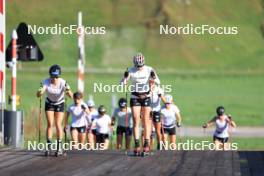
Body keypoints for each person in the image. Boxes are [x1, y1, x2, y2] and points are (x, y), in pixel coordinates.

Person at [121, 53, 160, 156]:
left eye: (141, 66)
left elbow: (158, 82)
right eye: (138, 66)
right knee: (135, 119)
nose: (139, 68)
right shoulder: (130, 70)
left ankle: (146, 144)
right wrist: (125, 78)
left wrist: (153, 78)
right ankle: (137, 144)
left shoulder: (149, 69)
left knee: (146, 120)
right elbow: (122, 84)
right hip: (135, 97)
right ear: (134, 64)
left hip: (146, 96)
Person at [36, 64, 73, 156]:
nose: (54, 79)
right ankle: (48, 146)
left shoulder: (63, 82)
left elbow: (71, 96)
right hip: (49, 103)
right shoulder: (46, 82)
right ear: (50, 76)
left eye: (56, 77)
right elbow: (39, 94)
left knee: (58, 124)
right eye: (53, 77)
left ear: (58, 76)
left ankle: (59, 147)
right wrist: (39, 92)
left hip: (60, 103)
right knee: (50, 124)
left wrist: (68, 91)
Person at [150, 85, 166, 149]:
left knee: (158, 131)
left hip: (156, 111)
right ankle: (149, 147)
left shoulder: (158, 89)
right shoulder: (145, 88)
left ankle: (159, 145)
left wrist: (160, 96)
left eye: (152, 81)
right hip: (148, 111)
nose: (151, 83)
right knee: (149, 130)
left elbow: (165, 101)